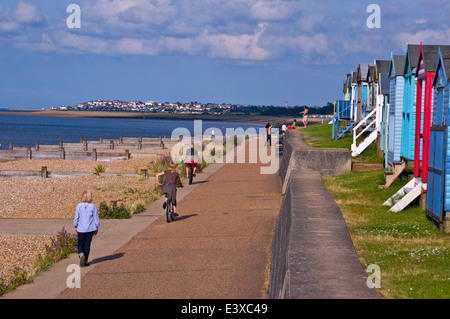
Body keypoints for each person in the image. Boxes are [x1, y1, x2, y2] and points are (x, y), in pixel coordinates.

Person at [73, 189, 99, 267]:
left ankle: (81, 255)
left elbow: (76, 217)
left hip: (81, 228)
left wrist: (75, 226)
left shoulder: (79, 206)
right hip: (90, 228)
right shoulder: (93, 206)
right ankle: (85, 260)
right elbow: (96, 218)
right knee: (87, 244)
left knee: (80, 243)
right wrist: (97, 227)